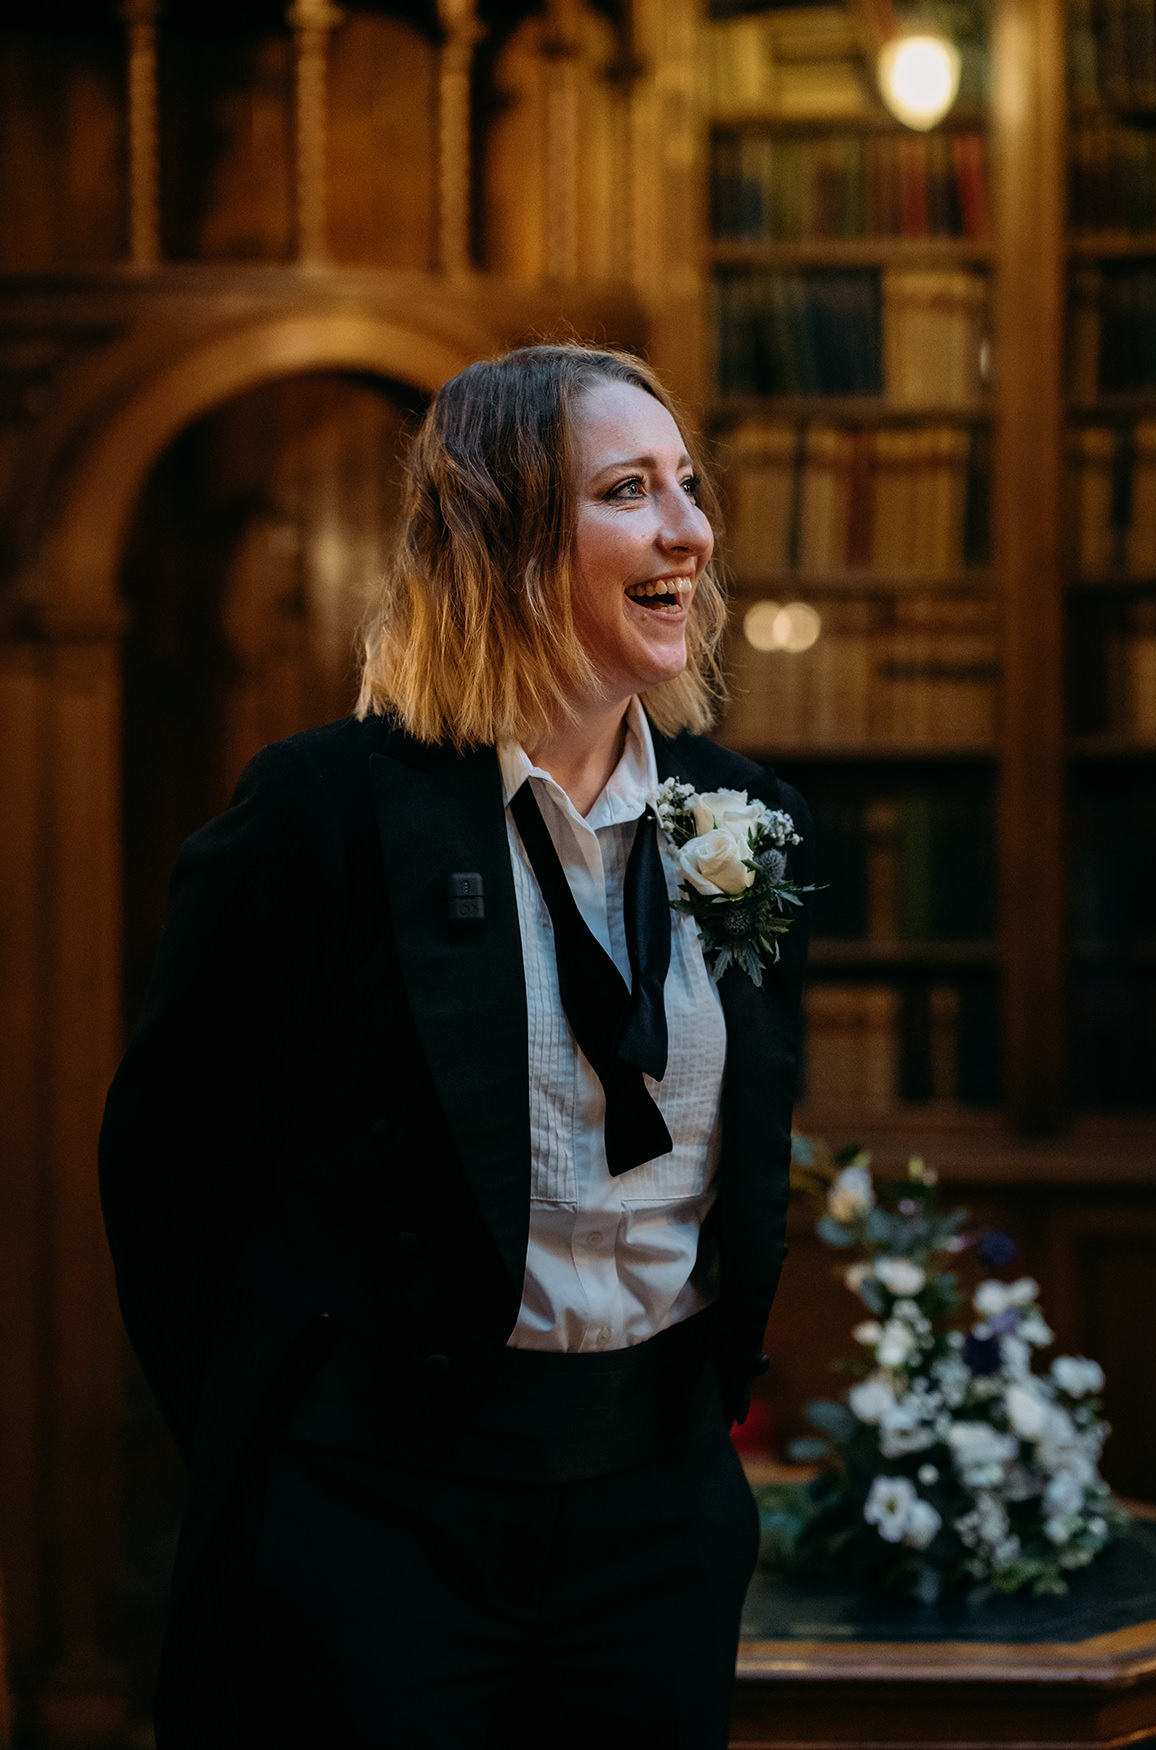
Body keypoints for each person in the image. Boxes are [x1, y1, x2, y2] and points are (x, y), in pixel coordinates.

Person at [99, 342, 812, 1750]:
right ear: (507, 540)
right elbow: (170, 1175)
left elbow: (751, 1161)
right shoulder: (321, 814)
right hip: (380, 1519)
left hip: (657, 1517)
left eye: (686, 485)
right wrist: (289, 1461)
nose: (690, 528)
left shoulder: (744, 814)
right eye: (629, 490)